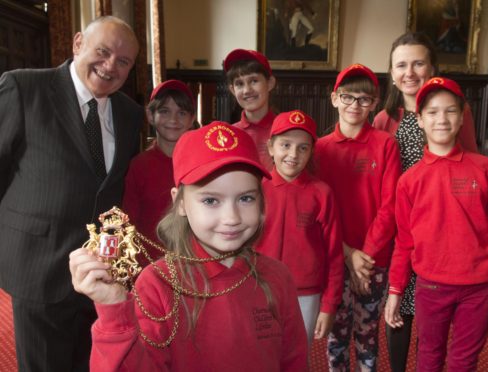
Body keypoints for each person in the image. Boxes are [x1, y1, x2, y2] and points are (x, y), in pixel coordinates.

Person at [69, 121, 309, 371]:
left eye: (245, 198)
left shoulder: (278, 277)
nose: (232, 218)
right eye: (210, 200)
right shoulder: (157, 284)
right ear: (180, 203)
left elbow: (294, 360)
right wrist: (113, 309)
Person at [0, 16, 142, 372]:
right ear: (78, 43)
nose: (111, 65)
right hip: (39, 266)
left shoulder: (130, 114)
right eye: (103, 51)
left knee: (90, 363)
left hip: (100, 273)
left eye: (123, 61)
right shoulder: (23, 88)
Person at [372, 31, 488, 371]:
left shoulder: (476, 155)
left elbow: (474, 168)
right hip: (412, 237)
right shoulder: (384, 118)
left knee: (457, 353)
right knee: (412, 328)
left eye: (418, 63)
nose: (409, 71)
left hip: (462, 244)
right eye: (401, 65)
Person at [315, 64, 402, 371]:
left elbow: (390, 205)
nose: (355, 105)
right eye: (348, 97)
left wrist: (364, 257)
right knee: (336, 336)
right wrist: (348, 255)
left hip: (374, 260)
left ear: (374, 104)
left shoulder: (385, 144)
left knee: (367, 335)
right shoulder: (318, 149)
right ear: (334, 98)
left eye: (364, 99)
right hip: (335, 258)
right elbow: (318, 213)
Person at [256, 109, 344, 344]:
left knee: (296, 358)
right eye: (285, 145)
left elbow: (334, 254)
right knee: (259, 356)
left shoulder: (321, 194)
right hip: (259, 289)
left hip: (306, 295)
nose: (293, 154)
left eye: (302, 147)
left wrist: (329, 305)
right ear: (271, 147)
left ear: (311, 152)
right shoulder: (255, 190)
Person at [122, 79, 197, 266]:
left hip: (196, 264)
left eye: (182, 113)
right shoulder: (138, 166)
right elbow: (129, 224)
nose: (173, 120)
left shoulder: (201, 163)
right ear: (150, 114)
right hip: (150, 266)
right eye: (164, 111)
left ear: (192, 118)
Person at [224, 48, 277, 170]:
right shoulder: (228, 135)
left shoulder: (286, 130)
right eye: (239, 84)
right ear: (232, 90)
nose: (247, 90)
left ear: (270, 83)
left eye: (254, 81)